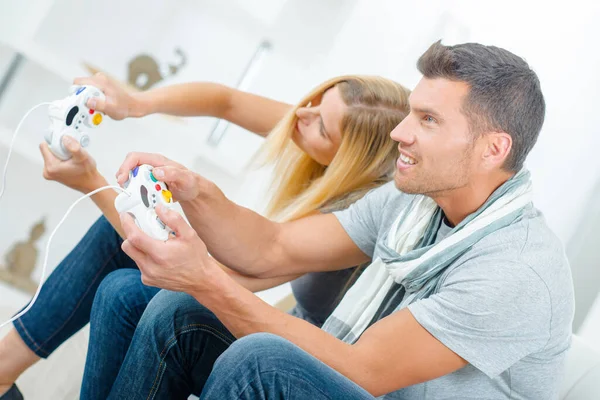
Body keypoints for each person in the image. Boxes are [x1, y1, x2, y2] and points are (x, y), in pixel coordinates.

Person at [82, 40, 573, 399]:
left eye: (427, 120)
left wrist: (205, 277)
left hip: (367, 381)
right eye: (411, 113)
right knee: (178, 312)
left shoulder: (517, 271)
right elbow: (274, 248)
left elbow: (363, 370)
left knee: (261, 361)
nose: (400, 132)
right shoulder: (413, 201)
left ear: (493, 149)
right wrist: (194, 191)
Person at [0, 74, 411, 399]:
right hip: (268, 318)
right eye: (317, 99)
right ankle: (3, 370)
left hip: (296, 354)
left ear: (350, 160)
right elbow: (224, 101)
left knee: (122, 291)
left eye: (321, 125)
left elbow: (232, 274)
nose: (301, 114)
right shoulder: (316, 120)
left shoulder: (359, 211)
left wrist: (93, 184)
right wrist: (135, 102)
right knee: (116, 258)